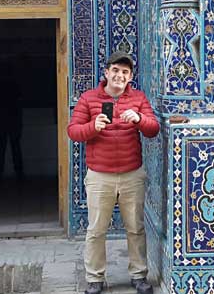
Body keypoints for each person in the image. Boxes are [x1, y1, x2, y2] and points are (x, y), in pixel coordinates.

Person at [67, 51, 160, 294]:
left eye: (125, 72)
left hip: (132, 175)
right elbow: (73, 131)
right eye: (116, 71)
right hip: (100, 176)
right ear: (106, 72)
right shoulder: (89, 99)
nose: (120, 75)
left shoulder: (138, 98)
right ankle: (95, 278)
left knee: (135, 228)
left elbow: (153, 129)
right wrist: (92, 127)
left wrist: (139, 118)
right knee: (96, 229)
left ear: (130, 77)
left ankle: (139, 275)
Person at [0, 62, 24, 179]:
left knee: (1, 147)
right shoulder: (15, 85)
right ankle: (19, 173)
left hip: (2, 120)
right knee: (15, 147)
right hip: (13, 120)